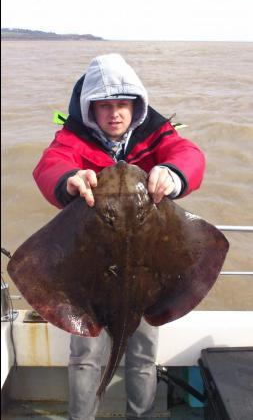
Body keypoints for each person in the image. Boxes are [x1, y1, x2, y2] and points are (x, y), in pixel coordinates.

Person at [33, 53, 205, 420]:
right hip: (89, 275)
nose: (115, 113)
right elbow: (51, 165)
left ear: (136, 105)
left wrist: (172, 173)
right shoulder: (72, 138)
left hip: (148, 273)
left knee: (143, 355)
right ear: (89, 108)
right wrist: (69, 181)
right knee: (85, 357)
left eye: (123, 104)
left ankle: (139, 416)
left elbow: (187, 154)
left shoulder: (155, 132)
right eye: (104, 105)